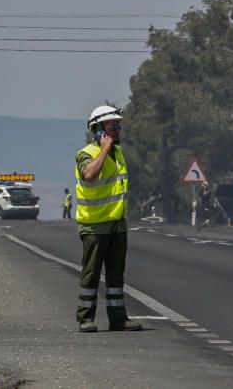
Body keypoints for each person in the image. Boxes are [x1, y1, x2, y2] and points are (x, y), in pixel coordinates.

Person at [74, 105, 142, 333]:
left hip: (117, 223)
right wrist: (103, 149)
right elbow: (90, 175)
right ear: (98, 129)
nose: (117, 130)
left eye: (118, 126)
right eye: (113, 126)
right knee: (91, 274)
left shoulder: (119, 153)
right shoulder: (87, 154)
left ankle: (118, 319)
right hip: (94, 225)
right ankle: (85, 318)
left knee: (116, 274)